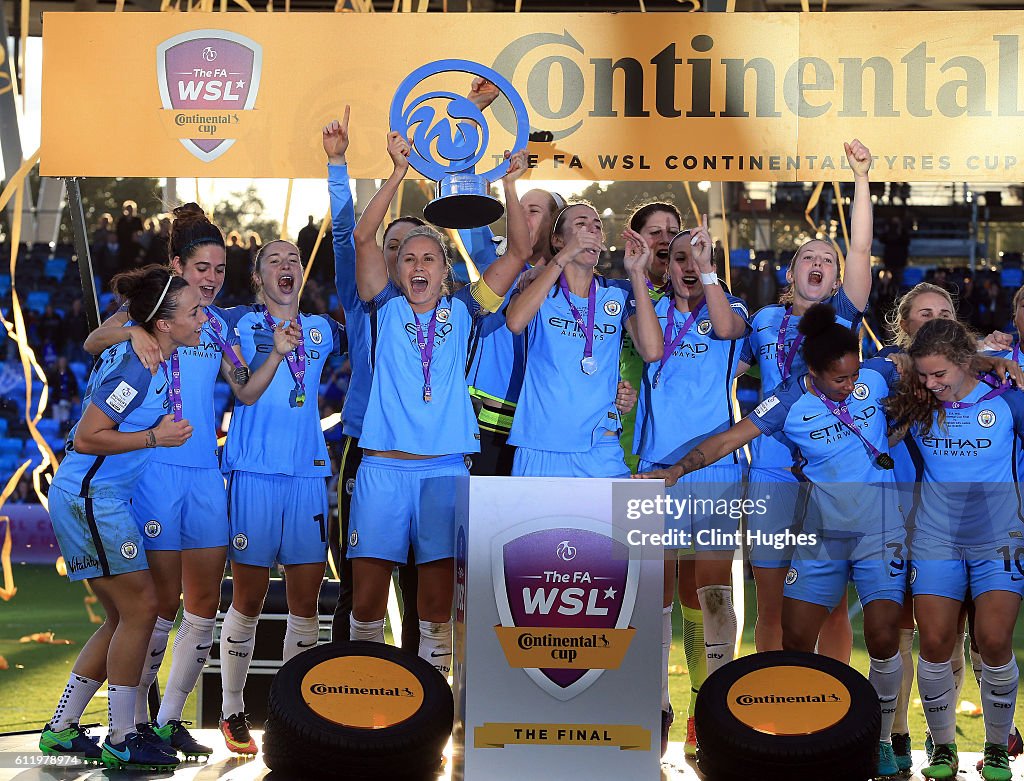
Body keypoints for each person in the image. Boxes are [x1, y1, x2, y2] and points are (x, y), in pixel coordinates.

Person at [640, 304, 910, 778]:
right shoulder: (786, 401)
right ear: (813, 372)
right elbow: (728, 441)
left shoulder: (875, 374)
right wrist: (681, 469)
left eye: (854, 375)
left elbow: (920, 361)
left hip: (880, 531)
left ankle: (881, 742)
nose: (851, 386)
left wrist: (992, 360)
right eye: (840, 380)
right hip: (822, 534)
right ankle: (796, 734)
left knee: (885, 636)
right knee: (794, 638)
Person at [82, 204, 296, 759]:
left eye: (221, 270)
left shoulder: (219, 325)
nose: (211, 279)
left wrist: (272, 356)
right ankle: (130, 727)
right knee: (159, 605)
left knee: (203, 604)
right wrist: (132, 331)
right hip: (155, 473)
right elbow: (89, 345)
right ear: (176, 263)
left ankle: (168, 721)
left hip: (206, 474)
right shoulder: (148, 310)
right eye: (202, 268)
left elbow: (245, 392)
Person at [347, 131, 527, 679]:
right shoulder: (383, 310)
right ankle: (365, 694)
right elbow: (361, 237)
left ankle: (432, 705)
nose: (417, 265)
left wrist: (510, 184)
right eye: (407, 258)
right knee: (366, 604)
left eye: (429, 257)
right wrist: (398, 174)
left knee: (434, 608)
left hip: (446, 473)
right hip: (382, 468)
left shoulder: (469, 311)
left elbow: (519, 252)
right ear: (398, 270)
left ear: (445, 271)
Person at [38, 265, 201, 770]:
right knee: (142, 610)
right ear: (165, 324)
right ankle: (122, 736)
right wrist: (158, 437)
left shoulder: (144, 345)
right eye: (194, 310)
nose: (202, 317)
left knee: (122, 615)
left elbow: (98, 339)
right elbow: (88, 436)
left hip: (88, 496)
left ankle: (62, 728)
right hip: (93, 499)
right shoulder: (139, 366)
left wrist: (130, 326)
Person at [737, 139, 875, 659]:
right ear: (790, 273)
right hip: (770, 474)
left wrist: (860, 177)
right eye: (807, 257)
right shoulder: (763, 321)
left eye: (827, 260)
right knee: (771, 603)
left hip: (826, 478)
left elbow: (860, 247)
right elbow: (729, 368)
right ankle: (773, 714)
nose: (818, 262)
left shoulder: (842, 316)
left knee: (829, 604)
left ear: (837, 279)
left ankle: (835, 718)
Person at [217, 237, 345, 755]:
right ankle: (231, 710)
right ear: (258, 277)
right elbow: (243, 386)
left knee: (305, 606)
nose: (287, 265)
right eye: (274, 260)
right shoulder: (237, 325)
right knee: (246, 599)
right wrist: (275, 349)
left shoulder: (319, 330)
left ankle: (289, 713)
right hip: (252, 471)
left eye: (293, 258)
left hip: (309, 474)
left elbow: (372, 319)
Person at [886, 318, 1024, 781]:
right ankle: (943, 747)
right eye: (923, 374)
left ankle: (997, 746)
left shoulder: (1007, 401)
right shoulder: (918, 403)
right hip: (936, 540)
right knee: (937, 644)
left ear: (965, 363)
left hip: (1000, 540)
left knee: (995, 641)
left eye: (939, 374)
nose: (931, 383)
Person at [632, 217, 749, 756]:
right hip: (656, 466)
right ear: (664, 265)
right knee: (653, 592)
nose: (686, 266)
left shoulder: (730, 309)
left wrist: (708, 272)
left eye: (696, 257)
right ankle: (654, 705)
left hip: (715, 468)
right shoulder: (643, 314)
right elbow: (644, 355)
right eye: (677, 258)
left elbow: (727, 331)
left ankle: (710, 707)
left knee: (709, 589)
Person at [323, 110, 425, 649]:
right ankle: (346, 694)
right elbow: (347, 234)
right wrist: (338, 164)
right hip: (365, 449)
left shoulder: (449, 315)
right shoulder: (363, 305)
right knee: (358, 581)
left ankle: (419, 705)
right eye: (390, 247)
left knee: (419, 585)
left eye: (411, 251)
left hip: (425, 455)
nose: (399, 258)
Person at [504, 203, 663, 478]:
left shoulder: (618, 293)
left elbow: (652, 351)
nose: (591, 230)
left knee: (621, 522)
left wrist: (636, 273)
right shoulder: (539, 288)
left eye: (597, 226)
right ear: (557, 240)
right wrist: (561, 259)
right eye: (580, 225)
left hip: (601, 446)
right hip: (541, 445)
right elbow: (515, 322)